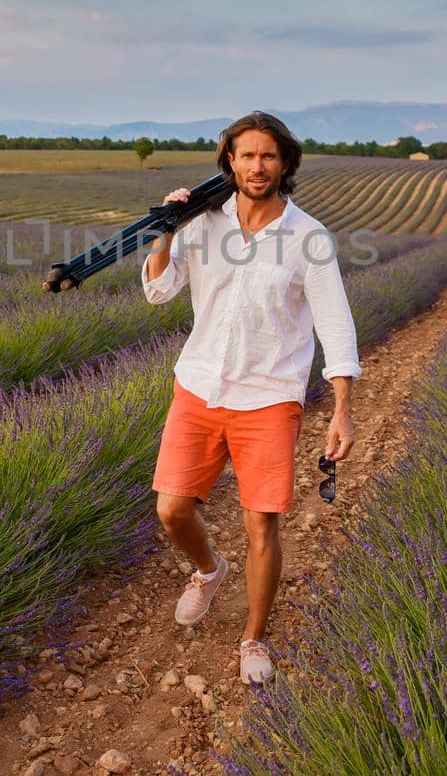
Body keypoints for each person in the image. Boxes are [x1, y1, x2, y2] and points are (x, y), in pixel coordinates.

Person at [140, 110, 359, 686]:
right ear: (229, 162)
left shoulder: (308, 238)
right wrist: (166, 227)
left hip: (268, 396)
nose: (257, 165)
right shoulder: (202, 223)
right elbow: (160, 292)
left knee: (262, 523)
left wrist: (341, 408)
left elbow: (335, 326)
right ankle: (210, 570)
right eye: (246, 155)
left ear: (284, 163)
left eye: (268, 155)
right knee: (171, 509)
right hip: (200, 385)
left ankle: (253, 637)